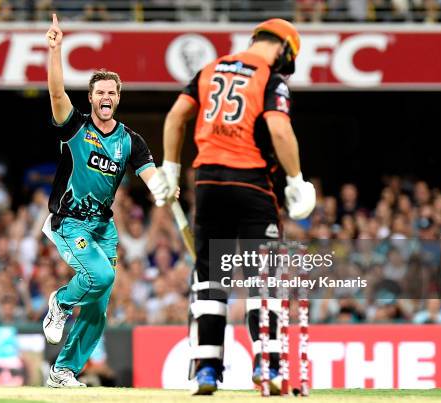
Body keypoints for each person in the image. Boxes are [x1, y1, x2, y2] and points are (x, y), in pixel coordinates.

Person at [159, 18, 316, 395]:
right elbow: (279, 130)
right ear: (283, 49)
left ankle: (206, 373)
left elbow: (176, 116)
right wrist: (296, 180)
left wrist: (170, 167)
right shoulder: (271, 79)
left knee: (211, 281)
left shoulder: (208, 70)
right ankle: (268, 365)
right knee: (262, 280)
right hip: (252, 186)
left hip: (208, 184)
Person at [40, 14, 170, 388]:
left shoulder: (130, 139)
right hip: (69, 221)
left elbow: (150, 176)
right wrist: (55, 49)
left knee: (99, 304)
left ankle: (63, 371)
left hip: (104, 228)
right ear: (91, 98)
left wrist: (164, 189)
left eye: (112, 92)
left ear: (118, 98)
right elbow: (55, 93)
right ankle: (61, 304)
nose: (106, 97)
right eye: (100, 92)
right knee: (101, 275)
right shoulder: (75, 126)